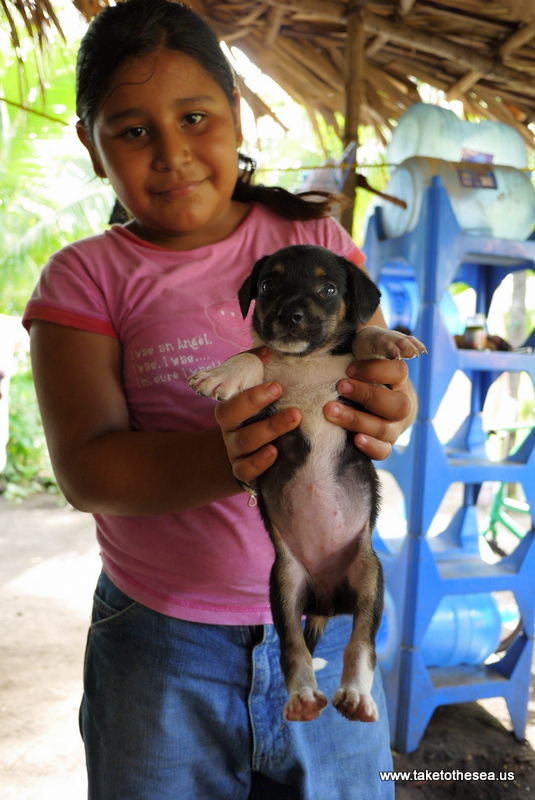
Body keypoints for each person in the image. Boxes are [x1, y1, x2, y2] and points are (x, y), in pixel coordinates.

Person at [23, 1, 416, 797]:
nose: (171, 154)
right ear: (92, 151)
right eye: (132, 131)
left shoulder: (313, 244)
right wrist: (232, 455)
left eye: (194, 116)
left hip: (331, 617)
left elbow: (377, 376)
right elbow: (87, 470)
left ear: (237, 117)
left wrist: (390, 407)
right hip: (162, 644)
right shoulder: (86, 277)